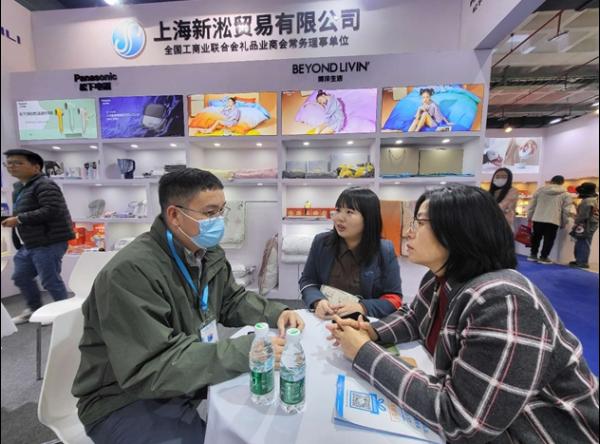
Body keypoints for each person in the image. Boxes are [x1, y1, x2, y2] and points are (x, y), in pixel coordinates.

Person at [327, 184, 598, 443]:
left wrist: (363, 352)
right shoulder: (440, 278)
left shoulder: (505, 302)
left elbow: (461, 421)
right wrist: (372, 331)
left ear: (458, 231)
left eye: (419, 223)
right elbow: (415, 316)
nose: (408, 232)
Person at [72, 168, 304, 444]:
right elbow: (149, 367)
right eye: (210, 213)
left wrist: (278, 313)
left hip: (180, 382)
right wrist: (244, 351)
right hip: (123, 399)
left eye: (222, 211)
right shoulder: (130, 273)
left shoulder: (206, 253)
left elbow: (231, 300)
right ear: (174, 215)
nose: (219, 221)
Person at [299, 187, 403, 319]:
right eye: (338, 210)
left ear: (368, 218)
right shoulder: (321, 242)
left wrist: (363, 307)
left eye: (349, 212)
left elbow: (394, 298)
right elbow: (308, 280)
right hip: (325, 318)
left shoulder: (384, 250)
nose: (339, 218)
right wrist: (317, 301)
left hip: (362, 322)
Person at [1, 149, 74, 324]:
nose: (12, 166)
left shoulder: (45, 185)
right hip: (30, 243)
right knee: (20, 276)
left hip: (49, 241)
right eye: (9, 163)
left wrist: (19, 219)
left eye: (18, 163)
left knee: (50, 280)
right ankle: (34, 309)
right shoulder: (19, 188)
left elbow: (51, 210)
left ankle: (64, 314)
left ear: (36, 167)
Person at [527, 175, 572, 263]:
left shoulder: (540, 191)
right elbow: (566, 210)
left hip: (538, 218)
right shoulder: (566, 194)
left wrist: (530, 217)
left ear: (551, 181)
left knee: (536, 237)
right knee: (549, 239)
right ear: (562, 182)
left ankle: (533, 255)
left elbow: (532, 205)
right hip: (553, 219)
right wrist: (563, 222)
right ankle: (544, 257)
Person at [569, 182, 599, 269]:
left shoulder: (587, 201)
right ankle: (580, 260)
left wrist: (576, 221)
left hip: (587, 224)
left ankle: (582, 262)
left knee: (583, 242)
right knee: (582, 242)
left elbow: (584, 215)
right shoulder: (592, 199)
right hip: (589, 223)